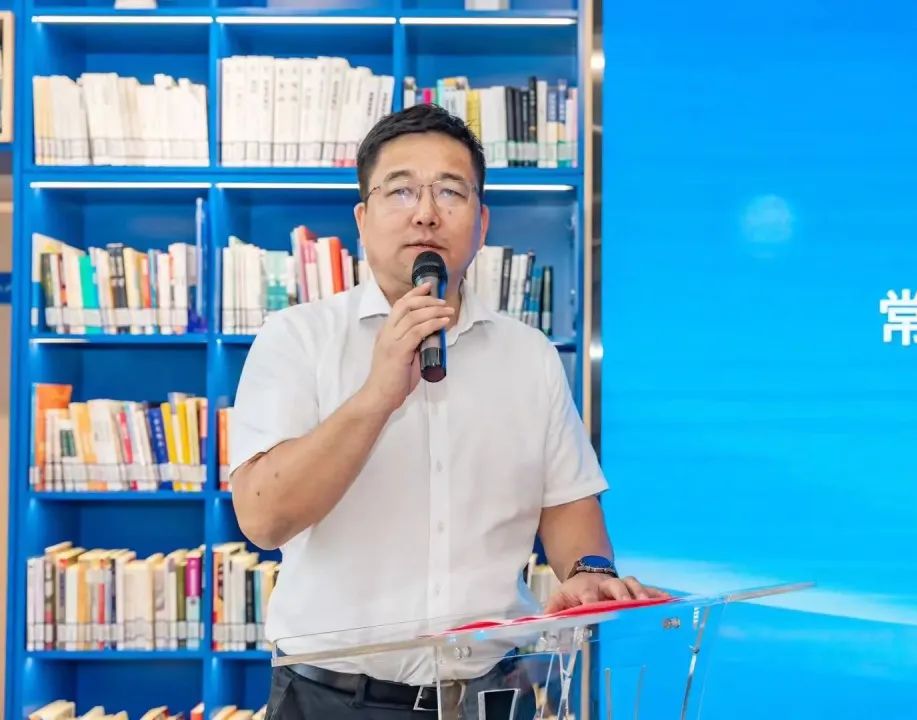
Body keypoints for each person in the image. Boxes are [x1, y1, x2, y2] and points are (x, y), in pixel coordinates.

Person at [228, 103, 664, 719]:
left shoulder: (528, 355)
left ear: (481, 224)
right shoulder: (296, 339)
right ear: (363, 219)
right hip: (333, 700)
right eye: (401, 190)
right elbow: (263, 518)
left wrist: (587, 569)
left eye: (450, 192)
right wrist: (377, 395)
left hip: (495, 694)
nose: (426, 213)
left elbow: (568, 502)